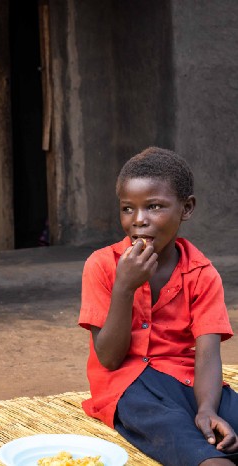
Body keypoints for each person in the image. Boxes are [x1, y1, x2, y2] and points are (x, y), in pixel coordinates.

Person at [78, 147, 238, 465]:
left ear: (186, 208)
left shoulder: (202, 273)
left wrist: (206, 408)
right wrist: (125, 287)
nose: (139, 220)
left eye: (154, 206)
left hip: (186, 379)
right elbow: (109, 359)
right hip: (127, 384)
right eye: (127, 209)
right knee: (171, 427)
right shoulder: (102, 265)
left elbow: (208, 355)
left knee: (228, 416)